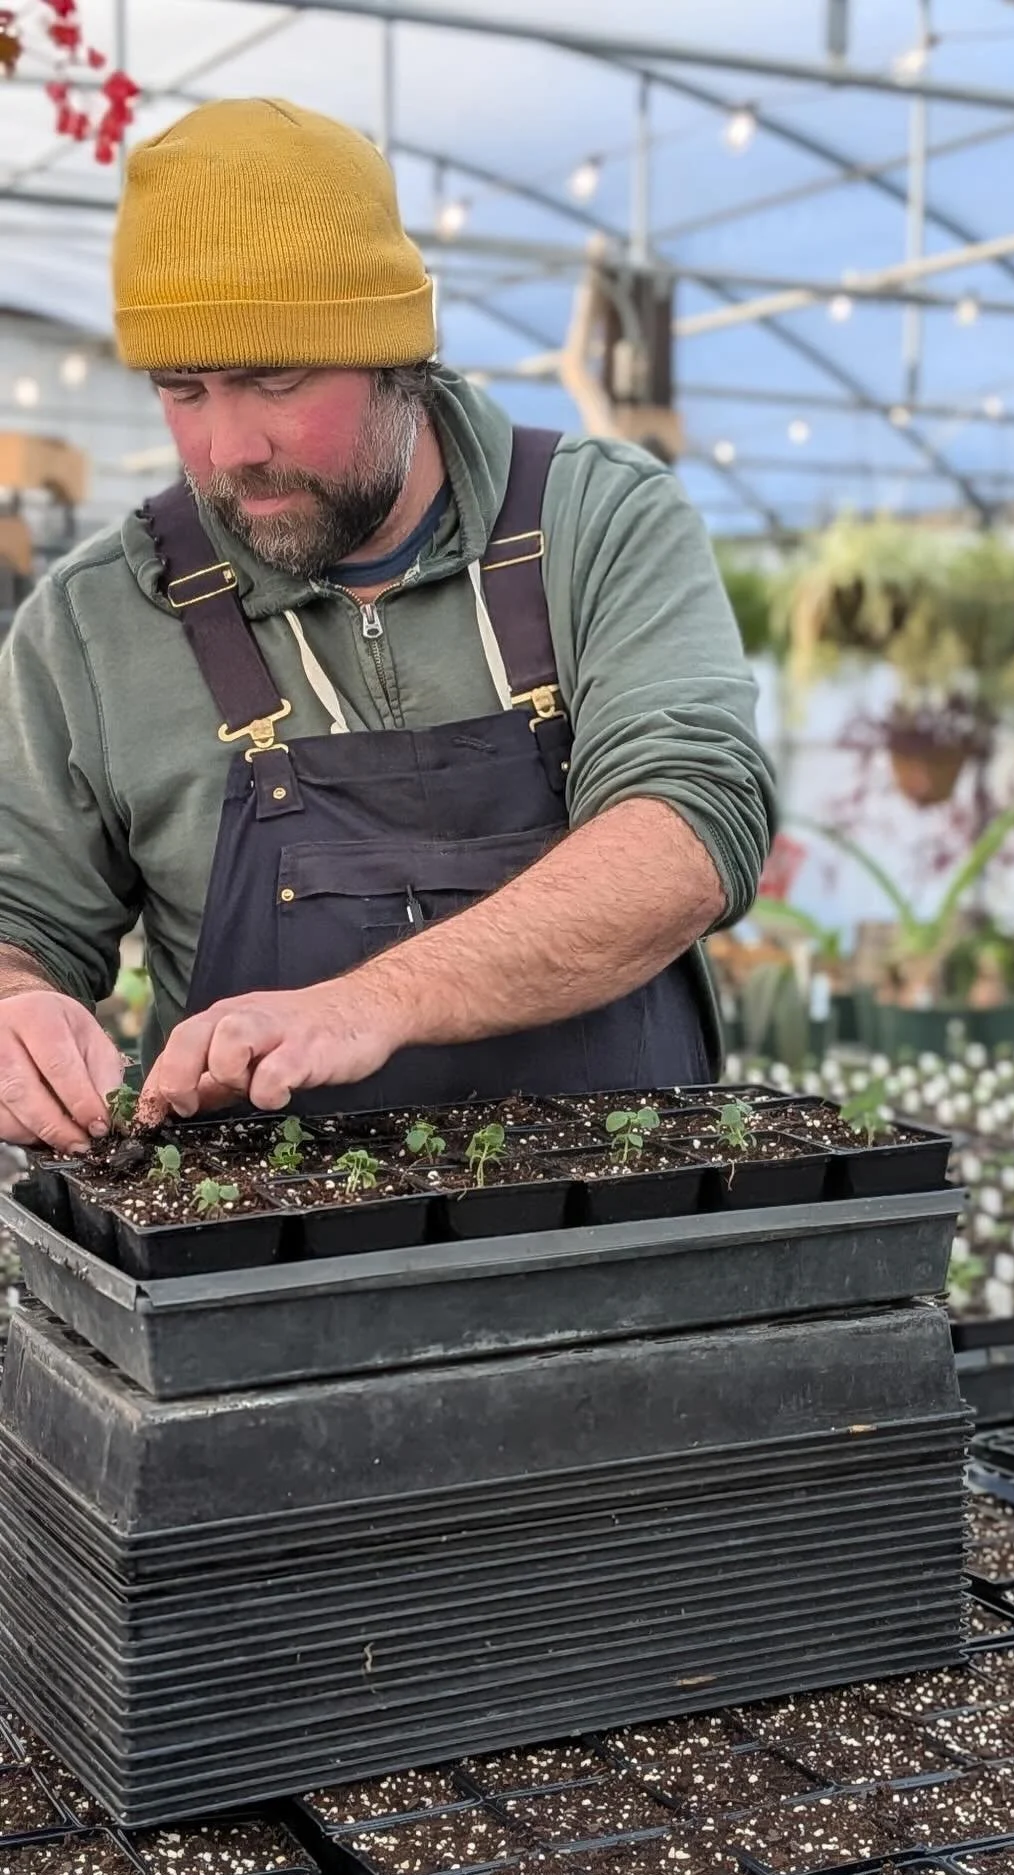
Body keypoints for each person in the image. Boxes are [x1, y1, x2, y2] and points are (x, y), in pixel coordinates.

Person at [0, 99, 775, 1153]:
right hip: (264, 1240)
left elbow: (689, 822)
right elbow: (21, 919)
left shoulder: (595, 522)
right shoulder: (97, 620)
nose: (229, 448)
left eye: (275, 380)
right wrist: (19, 1005)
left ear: (395, 357)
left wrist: (373, 1002)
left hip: (622, 1219)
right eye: (184, 391)